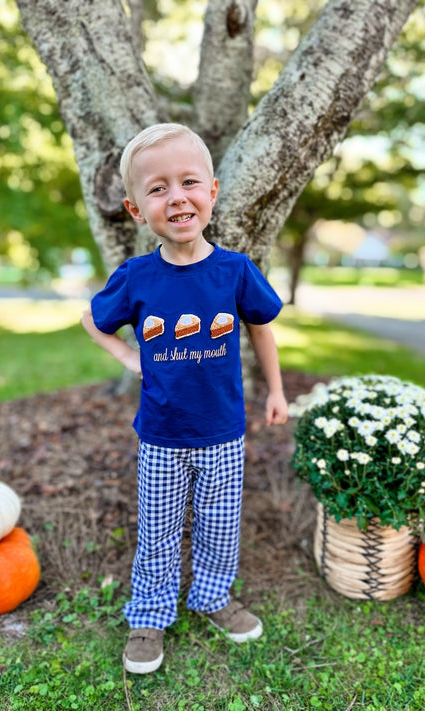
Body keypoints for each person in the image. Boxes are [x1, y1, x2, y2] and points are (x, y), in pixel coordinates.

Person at [81, 123, 288, 674]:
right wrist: (130, 359)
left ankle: (213, 596)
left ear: (212, 192)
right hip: (162, 435)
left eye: (189, 182)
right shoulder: (136, 276)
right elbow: (92, 319)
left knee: (221, 526)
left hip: (223, 431)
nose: (177, 197)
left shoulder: (234, 271)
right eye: (158, 188)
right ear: (134, 209)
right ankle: (149, 612)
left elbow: (262, 327)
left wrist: (276, 390)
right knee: (159, 529)